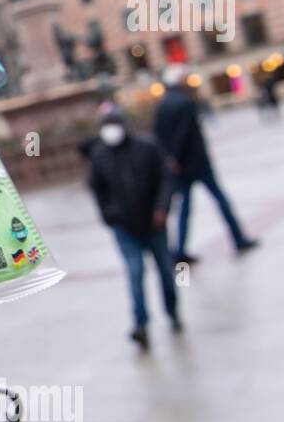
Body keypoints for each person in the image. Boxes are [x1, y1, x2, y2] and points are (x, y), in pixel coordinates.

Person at [88, 105, 179, 349]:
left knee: (166, 272)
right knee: (135, 273)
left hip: (154, 224)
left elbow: (165, 177)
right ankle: (140, 324)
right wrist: (109, 217)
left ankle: (173, 312)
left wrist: (162, 208)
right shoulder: (100, 156)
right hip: (125, 228)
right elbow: (97, 190)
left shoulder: (146, 148)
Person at [153, 65, 258, 264]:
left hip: (179, 167)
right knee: (220, 201)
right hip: (197, 164)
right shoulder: (185, 102)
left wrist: (169, 159)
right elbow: (184, 134)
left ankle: (179, 251)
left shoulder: (162, 105)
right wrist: (174, 157)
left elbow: (158, 136)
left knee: (184, 209)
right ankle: (238, 238)